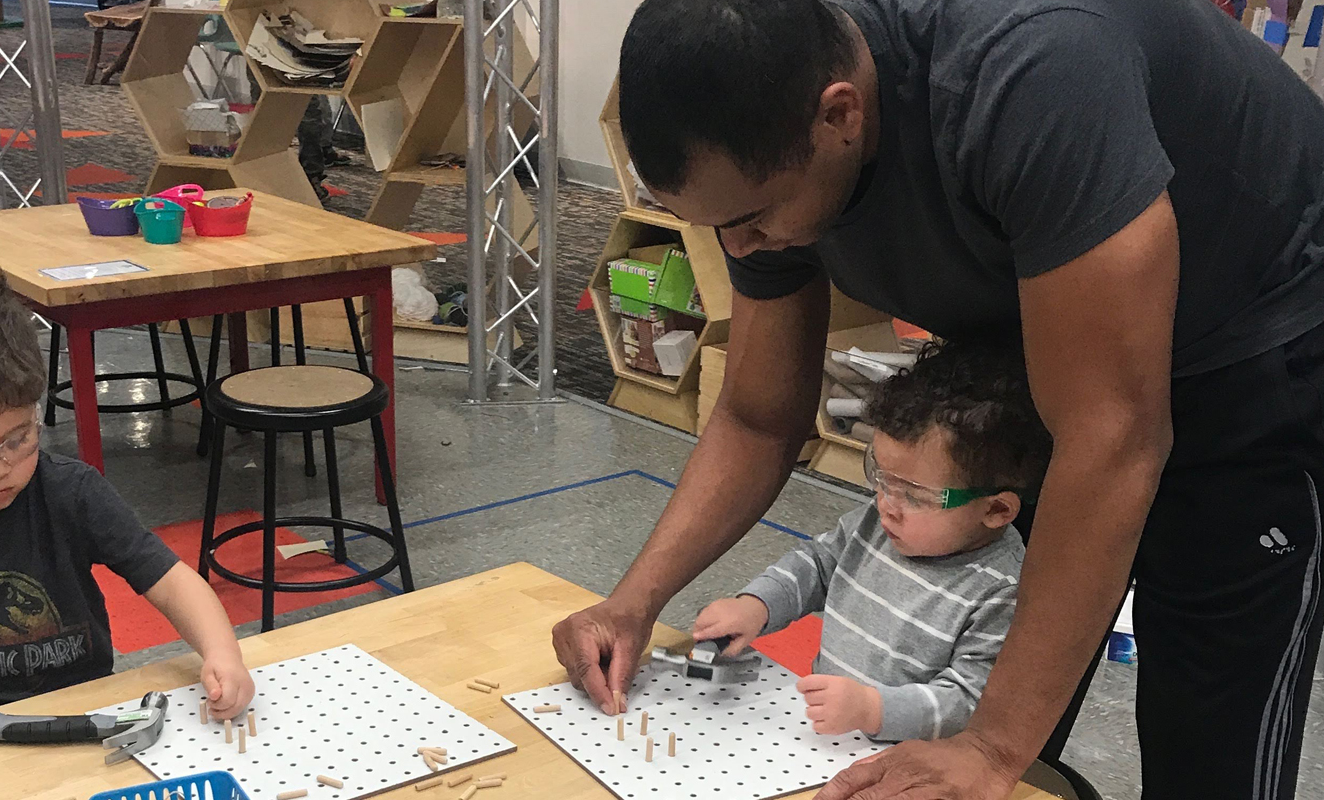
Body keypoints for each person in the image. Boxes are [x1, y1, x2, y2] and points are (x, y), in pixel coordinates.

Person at [552, 0, 1324, 797]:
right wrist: (633, 602)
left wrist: (994, 747)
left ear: (839, 114)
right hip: (1043, 338)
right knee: (961, 716)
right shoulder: (769, 154)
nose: (739, 250)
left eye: (749, 221)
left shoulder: (1028, 72)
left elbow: (1114, 437)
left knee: (1203, 741)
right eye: (711, 226)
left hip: (1254, 333)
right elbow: (757, 415)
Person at [0, 261, 257, 790]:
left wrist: (221, 652)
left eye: (17, 438)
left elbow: (169, 580)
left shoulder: (70, 491)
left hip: (85, 716)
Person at [692, 339, 1044, 742]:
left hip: (905, 766)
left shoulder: (1002, 592)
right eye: (880, 475)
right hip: (829, 739)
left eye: (913, 494)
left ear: (997, 510)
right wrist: (757, 605)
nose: (886, 504)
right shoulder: (877, 525)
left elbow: (968, 702)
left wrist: (873, 709)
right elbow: (819, 565)